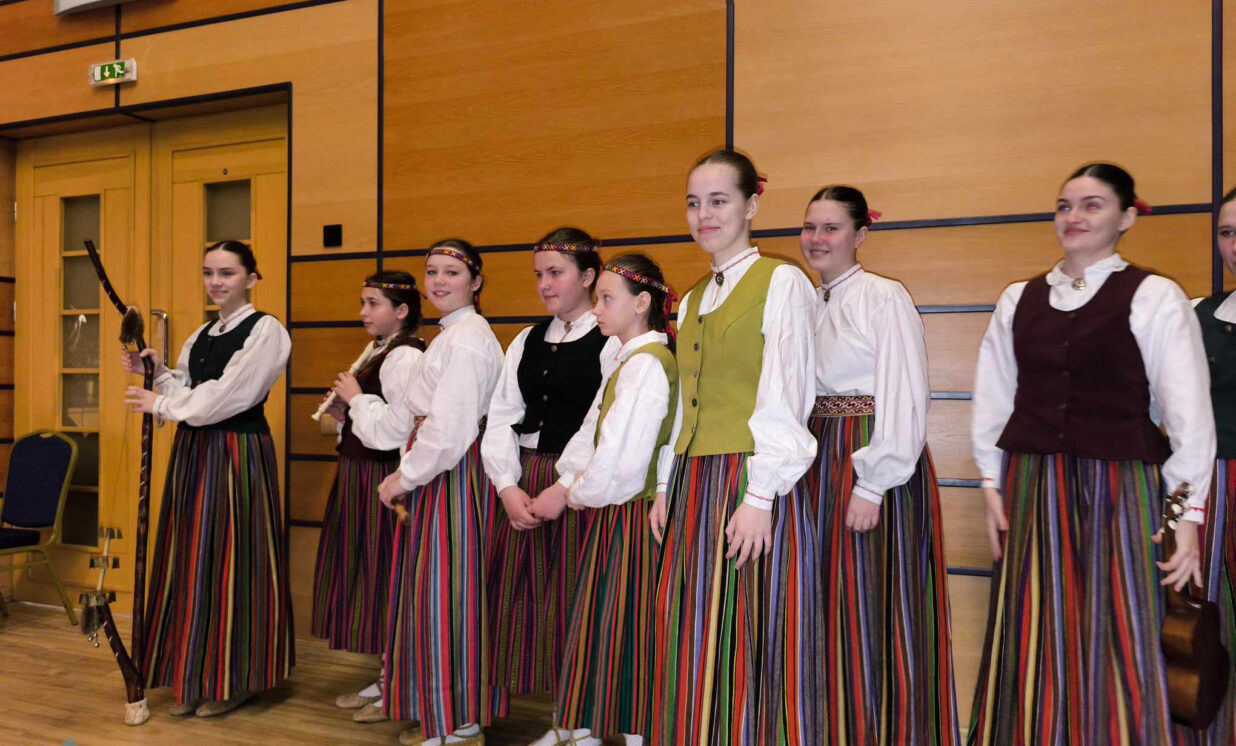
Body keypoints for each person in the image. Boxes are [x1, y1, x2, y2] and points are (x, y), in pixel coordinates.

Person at [968, 163, 1216, 744]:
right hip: (1033, 480)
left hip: (1120, 483)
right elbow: (994, 397)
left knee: (1121, 617)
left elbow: (1186, 411)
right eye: (1064, 205)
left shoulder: (1153, 296)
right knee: (1038, 617)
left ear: (1127, 218)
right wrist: (989, 482)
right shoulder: (1017, 299)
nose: (1073, 217)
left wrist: (1187, 516)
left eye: (1091, 205)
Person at [650, 149, 818, 744]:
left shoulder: (782, 281)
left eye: (718, 201)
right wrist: (666, 483)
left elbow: (786, 391)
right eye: (694, 203)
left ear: (751, 205)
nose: (704, 215)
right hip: (694, 481)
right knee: (692, 629)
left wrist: (760, 496)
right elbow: (684, 401)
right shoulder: (694, 296)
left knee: (750, 629)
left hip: (749, 479)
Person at [122, 239, 293, 717]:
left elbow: (228, 396)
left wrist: (162, 404)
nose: (216, 282)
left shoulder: (266, 330)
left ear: (251, 278)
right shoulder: (201, 332)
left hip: (237, 454)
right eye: (208, 273)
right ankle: (196, 675)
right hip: (195, 453)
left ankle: (236, 680)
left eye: (227, 273)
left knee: (233, 560)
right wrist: (158, 373)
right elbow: (190, 387)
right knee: (194, 559)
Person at [376, 239, 505, 746]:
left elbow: (450, 429)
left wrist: (405, 476)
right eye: (432, 271)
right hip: (443, 473)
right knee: (438, 592)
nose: (439, 281)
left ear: (476, 281)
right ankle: (447, 713)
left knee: (449, 593)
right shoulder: (453, 335)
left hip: (452, 475)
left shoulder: (467, 339)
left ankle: (459, 722)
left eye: (452, 272)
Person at [482, 228, 610, 729]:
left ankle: (579, 725)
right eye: (539, 274)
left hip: (580, 485)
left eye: (556, 273)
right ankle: (556, 717)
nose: (544, 284)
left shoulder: (610, 339)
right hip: (526, 475)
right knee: (527, 603)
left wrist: (567, 485)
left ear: (589, 276)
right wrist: (506, 485)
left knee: (576, 602)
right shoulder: (527, 339)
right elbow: (502, 415)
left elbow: (605, 424)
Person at [548, 254, 678, 746]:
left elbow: (624, 462)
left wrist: (579, 492)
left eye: (606, 299)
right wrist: (573, 482)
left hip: (630, 515)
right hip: (616, 512)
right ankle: (583, 730)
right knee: (608, 626)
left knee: (630, 630)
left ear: (642, 304)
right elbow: (596, 433)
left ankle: (633, 733)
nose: (597, 308)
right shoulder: (628, 359)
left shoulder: (647, 365)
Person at [313, 271, 426, 724]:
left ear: (401, 310)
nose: (363, 312)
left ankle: (398, 681)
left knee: (386, 573)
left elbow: (399, 429)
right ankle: (386, 674)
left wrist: (357, 398)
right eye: (363, 302)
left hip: (383, 477)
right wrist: (345, 413)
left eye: (373, 303)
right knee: (371, 574)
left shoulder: (405, 356)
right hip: (359, 474)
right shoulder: (380, 350)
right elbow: (367, 419)